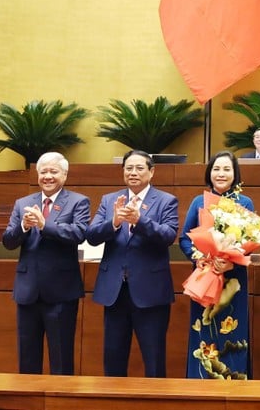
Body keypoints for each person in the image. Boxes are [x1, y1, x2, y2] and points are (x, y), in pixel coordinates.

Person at [85, 149, 179, 377]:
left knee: (154, 358)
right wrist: (114, 222)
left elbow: (168, 236)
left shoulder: (166, 200)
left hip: (150, 292)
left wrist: (141, 221)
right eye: (129, 168)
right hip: (115, 292)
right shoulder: (109, 200)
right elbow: (92, 235)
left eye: (139, 168)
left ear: (151, 172)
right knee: (113, 357)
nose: (133, 173)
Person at [1, 151, 90, 375]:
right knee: (27, 356)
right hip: (27, 290)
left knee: (61, 357)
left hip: (61, 292)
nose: (48, 176)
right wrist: (23, 226)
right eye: (43, 172)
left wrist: (44, 225)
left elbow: (78, 234)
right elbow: (8, 241)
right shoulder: (23, 203)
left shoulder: (78, 201)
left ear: (65, 175)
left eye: (53, 171)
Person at [179, 151, 254, 379]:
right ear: (209, 173)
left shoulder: (245, 202)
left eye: (226, 169)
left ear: (235, 173)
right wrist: (201, 257)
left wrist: (231, 263)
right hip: (205, 280)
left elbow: (251, 239)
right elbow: (184, 238)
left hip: (234, 282)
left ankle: (235, 385)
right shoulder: (198, 202)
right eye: (216, 169)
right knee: (204, 331)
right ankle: (200, 385)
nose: (221, 174)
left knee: (233, 332)